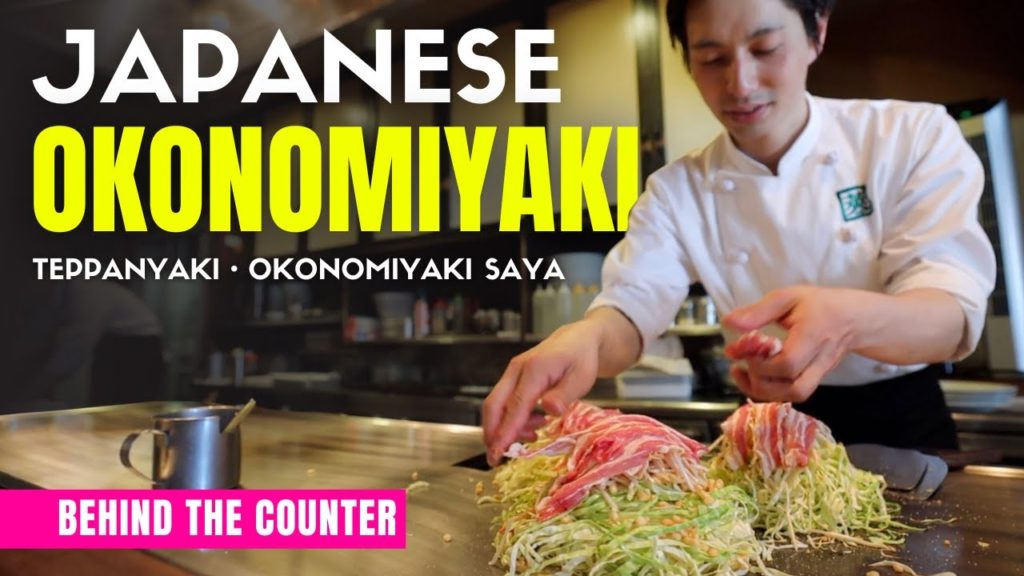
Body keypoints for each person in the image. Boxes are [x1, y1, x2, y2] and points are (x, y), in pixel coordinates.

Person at [482, 0, 996, 465]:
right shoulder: (677, 190)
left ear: (817, 32)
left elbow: (951, 313)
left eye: (765, 48)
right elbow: (634, 306)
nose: (740, 84)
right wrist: (586, 339)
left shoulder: (910, 136)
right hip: (765, 432)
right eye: (712, 59)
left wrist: (850, 320)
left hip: (903, 424)